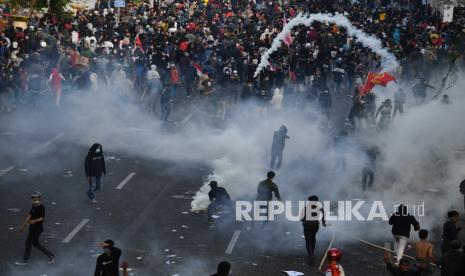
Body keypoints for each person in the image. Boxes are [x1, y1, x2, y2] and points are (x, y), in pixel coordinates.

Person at [15, 191, 55, 266]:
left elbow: (42, 218)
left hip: (37, 228)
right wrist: (23, 226)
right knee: (36, 244)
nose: (33, 199)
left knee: (28, 243)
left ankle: (24, 260)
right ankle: (51, 255)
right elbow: (29, 216)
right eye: (33, 198)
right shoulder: (34, 206)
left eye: (35, 198)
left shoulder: (41, 207)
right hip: (32, 228)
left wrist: (34, 221)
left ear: (39, 198)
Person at [300, 195, 326, 263]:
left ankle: (311, 255)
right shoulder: (318, 207)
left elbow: (301, 218)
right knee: (313, 238)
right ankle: (312, 253)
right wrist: (323, 222)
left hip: (307, 226)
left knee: (308, 240)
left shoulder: (306, 208)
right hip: (315, 225)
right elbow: (323, 212)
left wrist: (304, 221)